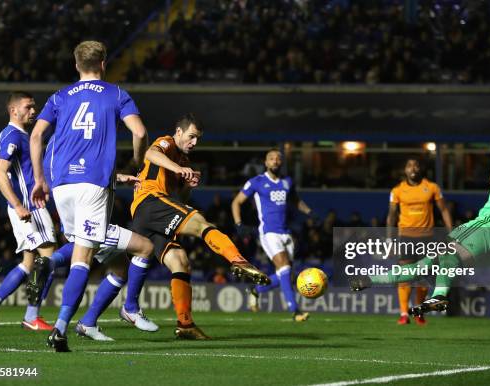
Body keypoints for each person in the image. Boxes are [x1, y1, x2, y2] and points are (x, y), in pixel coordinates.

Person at [351, 139, 490, 316]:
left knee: (439, 256)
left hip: (489, 227)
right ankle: (372, 281)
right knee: (428, 264)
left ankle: (438, 294)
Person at [29, 40, 148, 352]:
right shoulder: (116, 94)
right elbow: (139, 132)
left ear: (76, 64)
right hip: (93, 185)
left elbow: (37, 135)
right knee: (84, 256)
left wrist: (39, 179)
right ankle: (61, 327)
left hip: (61, 185)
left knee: (99, 252)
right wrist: (137, 162)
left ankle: (53, 262)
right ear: (104, 64)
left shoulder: (59, 96)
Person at [131, 113, 270, 339]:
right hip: (150, 201)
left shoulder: (183, 161)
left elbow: (179, 198)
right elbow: (150, 153)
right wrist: (177, 170)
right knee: (202, 224)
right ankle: (238, 260)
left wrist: (188, 185)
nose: (194, 143)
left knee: (180, 262)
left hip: (146, 216)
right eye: (191, 137)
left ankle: (185, 325)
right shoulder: (166, 142)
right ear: (179, 133)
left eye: (198, 139)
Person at [0, 91, 57, 331]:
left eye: (34, 107)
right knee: (49, 258)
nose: (33, 111)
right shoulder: (13, 135)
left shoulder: (23, 135)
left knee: (28, 262)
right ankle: (32, 316)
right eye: (28, 107)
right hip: (30, 207)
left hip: (27, 206)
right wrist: (19, 205)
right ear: (13, 110)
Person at [231, 148, 314, 322]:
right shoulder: (257, 181)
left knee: (287, 274)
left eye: (278, 158)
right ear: (266, 162)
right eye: (271, 158)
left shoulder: (288, 182)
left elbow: (295, 200)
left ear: (281, 162)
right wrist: (239, 224)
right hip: (269, 232)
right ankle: (295, 310)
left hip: (286, 232)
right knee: (284, 267)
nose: (275, 161)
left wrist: (310, 212)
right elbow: (236, 202)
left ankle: (256, 290)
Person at [387, 157, 452, 325]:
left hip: (426, 237)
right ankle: (403, 313)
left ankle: (418, 312)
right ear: (405, 170)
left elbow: (444, 210)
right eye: (409, 165)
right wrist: (389, 238)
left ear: (420, 168)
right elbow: (392, 216)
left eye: (416, 165)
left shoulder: (432, 187)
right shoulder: (397, 190)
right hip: (406, 237)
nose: (413, 168)